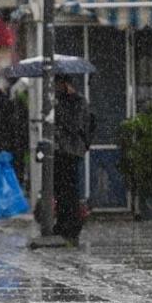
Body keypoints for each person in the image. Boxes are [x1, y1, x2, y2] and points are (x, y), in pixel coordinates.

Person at [54, 75, 90, 246]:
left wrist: (59, 114)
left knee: (70, 190)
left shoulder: (79, 101)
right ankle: (62, 223)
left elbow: (75, 125)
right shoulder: (59, 100)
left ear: (66, 84)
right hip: (59, 150)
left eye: (58, 84)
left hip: (71, 151)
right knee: (60, 190)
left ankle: (71, 226)